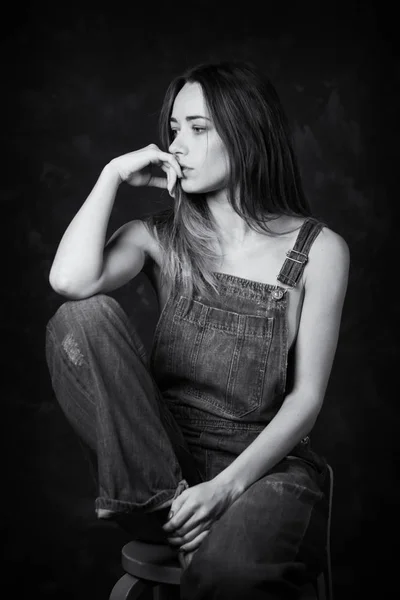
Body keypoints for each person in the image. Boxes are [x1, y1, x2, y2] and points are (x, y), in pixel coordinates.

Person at [45, 60, 350, 599]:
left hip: (264, 469)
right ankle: (174, 510)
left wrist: (226, 489)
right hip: (160, 468)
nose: (177, 145)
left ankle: (202, 523)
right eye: (173, 129)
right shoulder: (158, 237)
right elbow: (70, 282)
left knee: (228, 576)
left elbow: (306, 400)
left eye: (198, 127)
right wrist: (112, 174)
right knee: (81, 318)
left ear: (246, 131)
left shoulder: (318, 250)